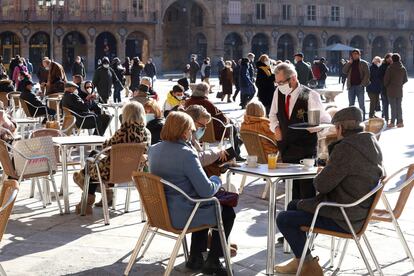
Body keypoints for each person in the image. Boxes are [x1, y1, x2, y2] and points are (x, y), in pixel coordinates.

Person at [274, 106, 384, 276]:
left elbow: (321, 185)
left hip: (344, 216)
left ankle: (308, 265)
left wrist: (324, 172)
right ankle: (301, 260)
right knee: (293, 205)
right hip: (358, 210)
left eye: (335, 128)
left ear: (340, 128)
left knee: (284, 218)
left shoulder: (346, 148)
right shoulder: (371, 142)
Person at [148, 111, 235, 275]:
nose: (192, 133)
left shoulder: (154, 149)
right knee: (226, 211)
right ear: (183, 131)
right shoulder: (186, 154)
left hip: (160, 211)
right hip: (181, 214)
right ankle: (214, 261)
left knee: (202, 203)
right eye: (191, 130)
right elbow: (207, 189)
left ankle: (196, 257)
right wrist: (216, 179)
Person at [73, 101, 151, 213]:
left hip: (112, 171)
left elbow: (106, 148)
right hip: (133, 171)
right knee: (94, 154)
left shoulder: (122, 131)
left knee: (90, 163)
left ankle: (86, 200)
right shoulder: (146, 133)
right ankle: (105, 192)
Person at [269, 62, 331, 200]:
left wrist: (316, 128)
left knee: (306, 191)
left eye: (281, 82)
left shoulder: (310, 95)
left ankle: (307, 218)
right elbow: (272, 115)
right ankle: (293, 218)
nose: (279, 85)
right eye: (277, 83)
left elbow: (326, 120)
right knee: (291, 190)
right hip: (286, 147)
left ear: (293, 78)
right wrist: (275, 127)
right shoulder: (278, 92)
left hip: (305, 149)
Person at [184, 83, 244, 161]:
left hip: (195, 131)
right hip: (212, 133)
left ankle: (237, 144)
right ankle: (236, 153)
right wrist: (228, 120)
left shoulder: (188, 102)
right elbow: (222, 118)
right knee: (233, 128)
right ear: (206, 91)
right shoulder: (207, 103)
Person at [186, 104, 232, 177]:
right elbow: (197, 159)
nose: (204, 128)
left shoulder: (191, 135)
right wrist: (217, 152)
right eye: (202, 125)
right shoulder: (186, 137)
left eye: (205, 125)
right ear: (191, 122)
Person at [342, 49, 370, 120]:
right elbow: (344, 71)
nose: (354, 55)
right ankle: (351, 118)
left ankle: (363, 118)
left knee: (361, 104)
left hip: (359, 86)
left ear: (359, 55)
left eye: (356, 54)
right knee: (351, 104)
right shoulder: (350, 63)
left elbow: (367, 74)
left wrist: (362, 84)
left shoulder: (363, 63)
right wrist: (349, 63)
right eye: (353, 54)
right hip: (351, 86)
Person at [383, 53, 408, 128]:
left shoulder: (390, 68)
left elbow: (386, 80)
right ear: (399, 59)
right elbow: (405, 79)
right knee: (399, 106)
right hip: (399, 90)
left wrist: (387, 85)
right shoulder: (403, 68)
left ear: (392, 59)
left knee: (393, 107)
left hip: (391, 90)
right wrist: (400, 84)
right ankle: (400, 122)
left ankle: (392, 122)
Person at [378, 53, 392, 124]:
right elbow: (379, 77)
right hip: (384, 88)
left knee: (391, 104)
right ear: (385, 58)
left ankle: (387, 116)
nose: (389, 59)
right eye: (388, 58)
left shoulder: (394, 66)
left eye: (391, 58)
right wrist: (384, 83)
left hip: (392, 89)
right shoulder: (382, 67)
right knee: (385, 104)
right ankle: (386, 118)